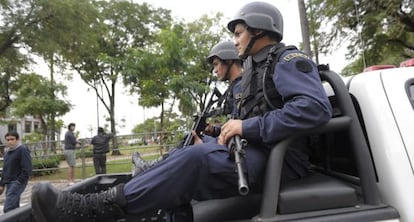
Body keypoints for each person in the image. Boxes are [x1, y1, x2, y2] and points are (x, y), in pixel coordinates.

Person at [30, 2, 332, 221]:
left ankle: (94, 210)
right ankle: (133, 198)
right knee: (186, 151)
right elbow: (249, 117)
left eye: (239, 32)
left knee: (195, 158)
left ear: (259, 31)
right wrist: (223, 130)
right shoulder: (255, 68)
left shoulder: (287, 60)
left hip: (282, 160)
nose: (236, 39)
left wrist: (246, 128)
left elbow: (314, 109)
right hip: (258, 151)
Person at [131, 40, 243, 175]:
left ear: (229, 61)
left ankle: (152, 169)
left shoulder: (240, 88)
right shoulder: (233, 88)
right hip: (229, 145)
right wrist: (213, 130)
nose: (215, 70)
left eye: (216, 64)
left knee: (189, 144)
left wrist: (203, 148)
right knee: (188, 138)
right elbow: (233, 125)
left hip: (234, 152)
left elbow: (239, 128)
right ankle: (153, 167)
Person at [0, 131, 32, 213]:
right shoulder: (7, 152)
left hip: (17, 182)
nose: (10, 141)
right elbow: (5, 169)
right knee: (14, 207)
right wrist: (2, 184)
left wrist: (19, 181)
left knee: (8, 208)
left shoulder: (22, 150)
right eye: (8, 140)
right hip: (9, 183)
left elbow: (27, 168)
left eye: (12, 139)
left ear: (17, 139)